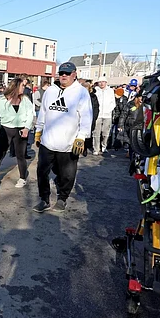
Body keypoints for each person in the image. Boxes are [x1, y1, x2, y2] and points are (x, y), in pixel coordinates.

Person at [32, 62, 92, 213]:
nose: (63, 76)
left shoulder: (81, 92)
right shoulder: (51, 90)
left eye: (67, 73)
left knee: (67, 174)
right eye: (61, 73)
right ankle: (44, 199)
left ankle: (62, 198)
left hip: (68, 143)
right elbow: (43, 112)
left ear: (74, 74)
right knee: (42, 172)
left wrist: (82, 137)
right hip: (48, 141)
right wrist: (39, 131)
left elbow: (86, 117)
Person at [0, 76, 34, 187]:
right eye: (22, 86)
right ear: (15, 86)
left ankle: (22, 178)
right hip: (6, 130)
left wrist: (27, 128)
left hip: (21, 130)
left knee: (20, 156)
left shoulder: (25, 100)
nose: (24, 88)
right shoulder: (3, 100)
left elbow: (30, 115)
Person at [92, 76, 116, 155]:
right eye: (100, 82)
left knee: (105, 133)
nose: (101, 83)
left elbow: (113, 103)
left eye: (103, 82)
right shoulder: (95, 90)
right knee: (96, 133)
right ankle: (96, 149)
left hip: (107, 115)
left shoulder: (110, 91)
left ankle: (104, 146)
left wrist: (109, 110)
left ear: (106, 83)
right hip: (97, 115)